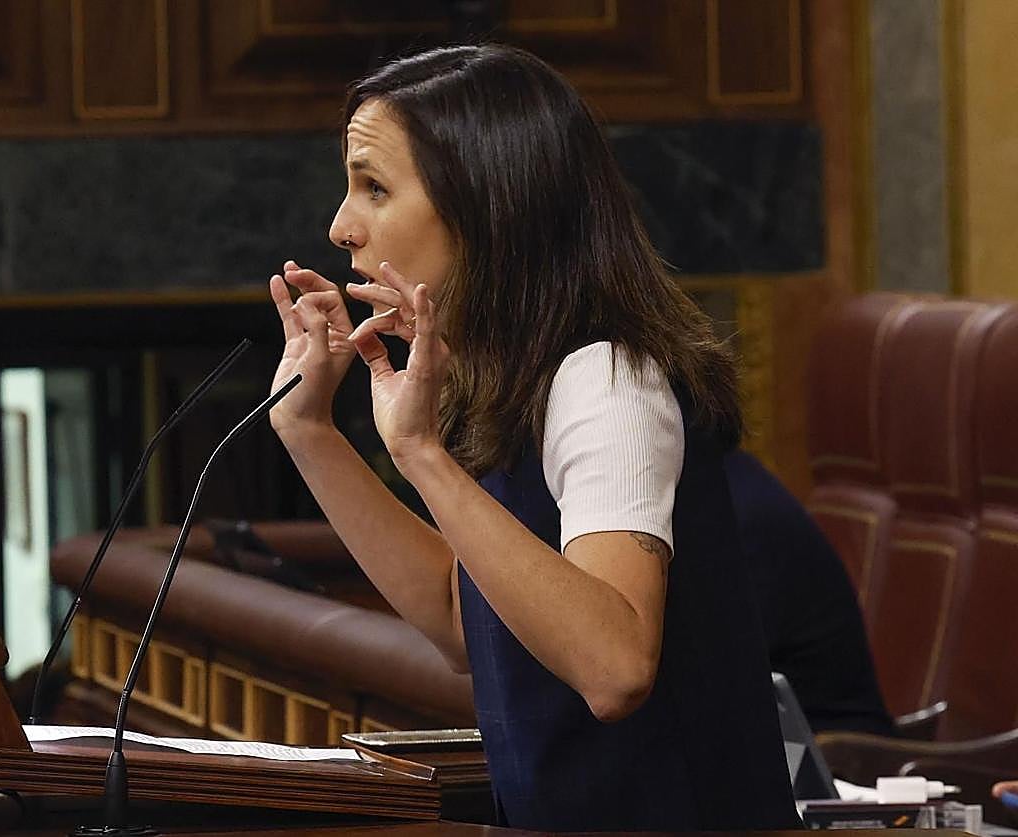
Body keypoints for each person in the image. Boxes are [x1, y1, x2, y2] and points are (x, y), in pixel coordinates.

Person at [266, 44, 798, 831]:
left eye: (374, 186)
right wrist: (308, 430)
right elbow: (465, 621)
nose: (340, 226)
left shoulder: (609, 377)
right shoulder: (502, 371)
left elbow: (615, 667)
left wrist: (422, 454)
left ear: (488, 204)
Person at [725, 450, 896, 737]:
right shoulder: (724, 481)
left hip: (834, 761)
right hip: (769, 749)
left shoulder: (734, 509)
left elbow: (720, 679)